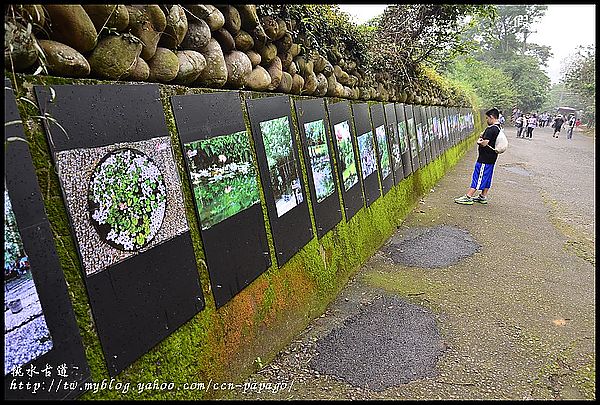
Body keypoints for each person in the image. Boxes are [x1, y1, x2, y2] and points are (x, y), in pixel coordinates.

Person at [454, 107, 501, 205]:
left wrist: (479, 141)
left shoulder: (490, 129)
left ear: (492, 117)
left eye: (487, 118)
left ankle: (468, 196)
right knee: (487, 177)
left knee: (478, 176)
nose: (487, 120)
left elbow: (485, 143)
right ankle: (483, 196)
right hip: (492, 158)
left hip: (484, 158)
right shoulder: (498, 128)